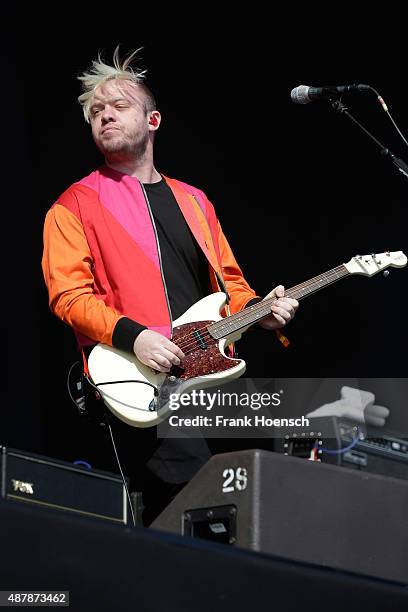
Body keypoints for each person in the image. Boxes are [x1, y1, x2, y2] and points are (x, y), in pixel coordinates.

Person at [42, 47, 299, 525]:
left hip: (214, 377)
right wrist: (134, 336)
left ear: (153, 119)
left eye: (118, 106)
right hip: (146, 383)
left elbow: (230, 284)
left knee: (260, 505)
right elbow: (68, 295)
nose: (104, 116)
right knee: (187, 515)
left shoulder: (195, 201)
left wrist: (259, 310)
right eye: (96, 112)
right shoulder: (73, 204)